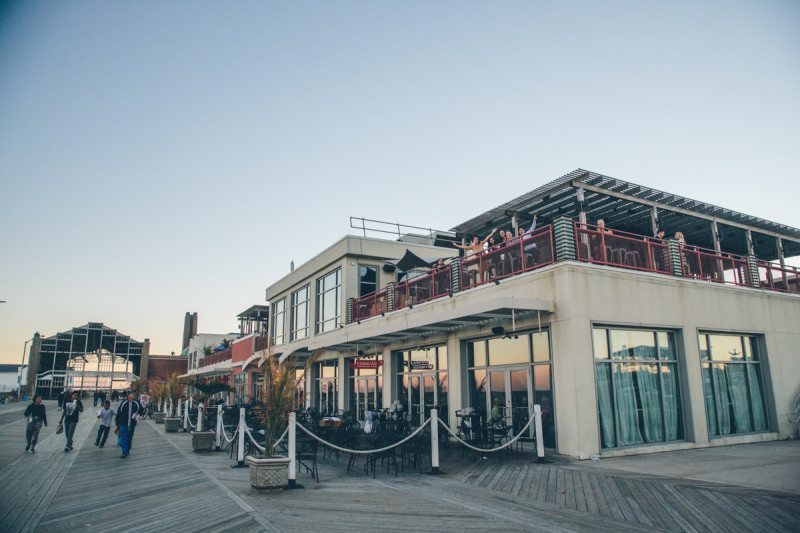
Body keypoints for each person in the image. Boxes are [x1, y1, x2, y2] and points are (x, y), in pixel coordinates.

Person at [116, 391, 142, 458]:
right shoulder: (124, 403)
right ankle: (124, 452)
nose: (131, 396)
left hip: (132, 424)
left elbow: (141, 411)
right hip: (123, 423)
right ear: (128, 396)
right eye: (130, 395)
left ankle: (127, 449)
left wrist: (137, 414)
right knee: (124, 438)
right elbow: (119, 413)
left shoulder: (136, 403)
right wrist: (117, 423)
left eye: (132, 395)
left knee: (129, 438)